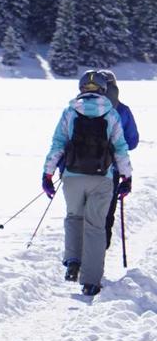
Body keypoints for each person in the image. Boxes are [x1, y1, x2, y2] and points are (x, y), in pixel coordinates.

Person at [43, 71, 132, 296]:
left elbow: (58, 144)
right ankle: (91, 281)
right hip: (102, 179)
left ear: (81, 88)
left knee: (74, 218)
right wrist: (126, 177)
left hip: (73, 176)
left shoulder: (70, 111)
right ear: (103, 90)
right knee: (95, 227)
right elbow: (121, 147)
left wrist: (47, 174)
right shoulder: (111, 114)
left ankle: (73, 262)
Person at [96, 70, 139, 249]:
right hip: (111, 170)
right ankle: (99, 258)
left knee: (83, 214)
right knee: (106, 214)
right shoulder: (122, 110)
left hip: (80, 169)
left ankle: (80, 257)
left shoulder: (82, 107)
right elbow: (132, 141)